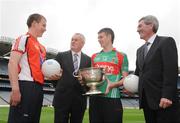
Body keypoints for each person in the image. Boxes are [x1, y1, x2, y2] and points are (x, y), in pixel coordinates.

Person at [134, 15, 179, 123]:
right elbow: (138, 73)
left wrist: (167, 96)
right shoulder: (139, 50)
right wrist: (130, 87)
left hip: (163, 101)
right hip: (147, 102)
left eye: (140, 26)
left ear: (151, 25)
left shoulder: (166, 42)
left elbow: (171, 70)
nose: (137, 30)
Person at [8, 13, 47, 123]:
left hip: (38, 88)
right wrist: (15, 89)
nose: (45, 29)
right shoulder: (23, 39)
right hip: (25, 86)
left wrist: (53, 74)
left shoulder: (42, 47)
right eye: (43, 25)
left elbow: (40, 69)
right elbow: (12, 63)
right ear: (34, 23)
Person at [89, 27, 129, 123]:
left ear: (109, 37)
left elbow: (126, 79)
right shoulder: (94, 56)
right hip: (95, 99)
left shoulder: (121, 55)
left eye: (101, 37)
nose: (99, 40)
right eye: (98, 38)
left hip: (112, 99)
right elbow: (91, 78)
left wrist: (112, 85)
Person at [53, 33, 91, 123]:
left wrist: (84, 84)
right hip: (61, 99)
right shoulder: (60, 56)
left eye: (76, 40)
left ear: (82, 43)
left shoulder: (88, 60)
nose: (73, 41)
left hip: (79, 101)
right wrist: (61, 87)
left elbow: (89, 80)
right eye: (72, 39)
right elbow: (53, 76)